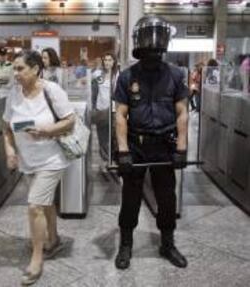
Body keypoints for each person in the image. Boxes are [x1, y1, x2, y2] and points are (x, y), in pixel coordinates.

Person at [114, 15, 189, 270]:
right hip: (136, 145)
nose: (154, 46)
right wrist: (123, 152)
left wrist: (181, 147)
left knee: (167, 199)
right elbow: (121, 116)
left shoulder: (176, 74)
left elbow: (182, 112)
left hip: (165, 144)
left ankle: (167, 244)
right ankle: (126, 244)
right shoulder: (126, 76)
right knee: (130, 198)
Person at [2, 50, 75, 285]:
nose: (16, 73)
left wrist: (46, 131)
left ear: (35, 69)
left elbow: (70, 120)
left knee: (35, 206)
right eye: (14, 69)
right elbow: (6, 127)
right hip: (28, 161)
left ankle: (36, 258)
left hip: (52, 159)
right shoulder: (14, 94)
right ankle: (53, 240)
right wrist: (10, 151)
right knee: (45, 204)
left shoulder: (52, 91)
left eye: (20, 68)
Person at [91, 52, 120, 172]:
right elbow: (93, 91)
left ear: (114, 62)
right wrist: (93, 107)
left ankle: (113, 159)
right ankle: (104, 160)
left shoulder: (117, 75)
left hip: (113, 110)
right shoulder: (98, 74)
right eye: (105, 60)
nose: (107, 62)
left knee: (113, 136)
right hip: (101, 109)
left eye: (110, 60)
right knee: (102, 136)